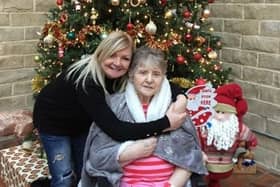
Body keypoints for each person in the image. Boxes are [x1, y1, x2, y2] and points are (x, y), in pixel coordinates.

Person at [33, 31, 187, 187]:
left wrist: (181, 96)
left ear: (131, 64)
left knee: (83, 171)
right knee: (64, 176)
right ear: (101, 54)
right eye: (112, 55)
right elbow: (117, 130)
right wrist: (166, 123)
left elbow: (161, 82)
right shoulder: (88, 81)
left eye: (125, 58)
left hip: (80, 123)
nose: (118, 62)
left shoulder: (121, 74)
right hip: (53, 124)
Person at [80, 46, 208, 187]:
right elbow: (97, 158)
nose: (149, 79)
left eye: (156, 74)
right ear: (131, 74)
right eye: (142, 72)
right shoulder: (116, 106)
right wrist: (130, 152)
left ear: (163, 78)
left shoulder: (173, 108)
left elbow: (190, 155)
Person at [194, 83, 258, 187]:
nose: (219, 117)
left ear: (232, 113)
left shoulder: (237, 128)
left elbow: (250, 137)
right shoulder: (205, 126)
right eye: (217, 112)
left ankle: (213, 182)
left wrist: (251, 145)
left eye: (223, 112)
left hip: (225, 165)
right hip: (206, 163)